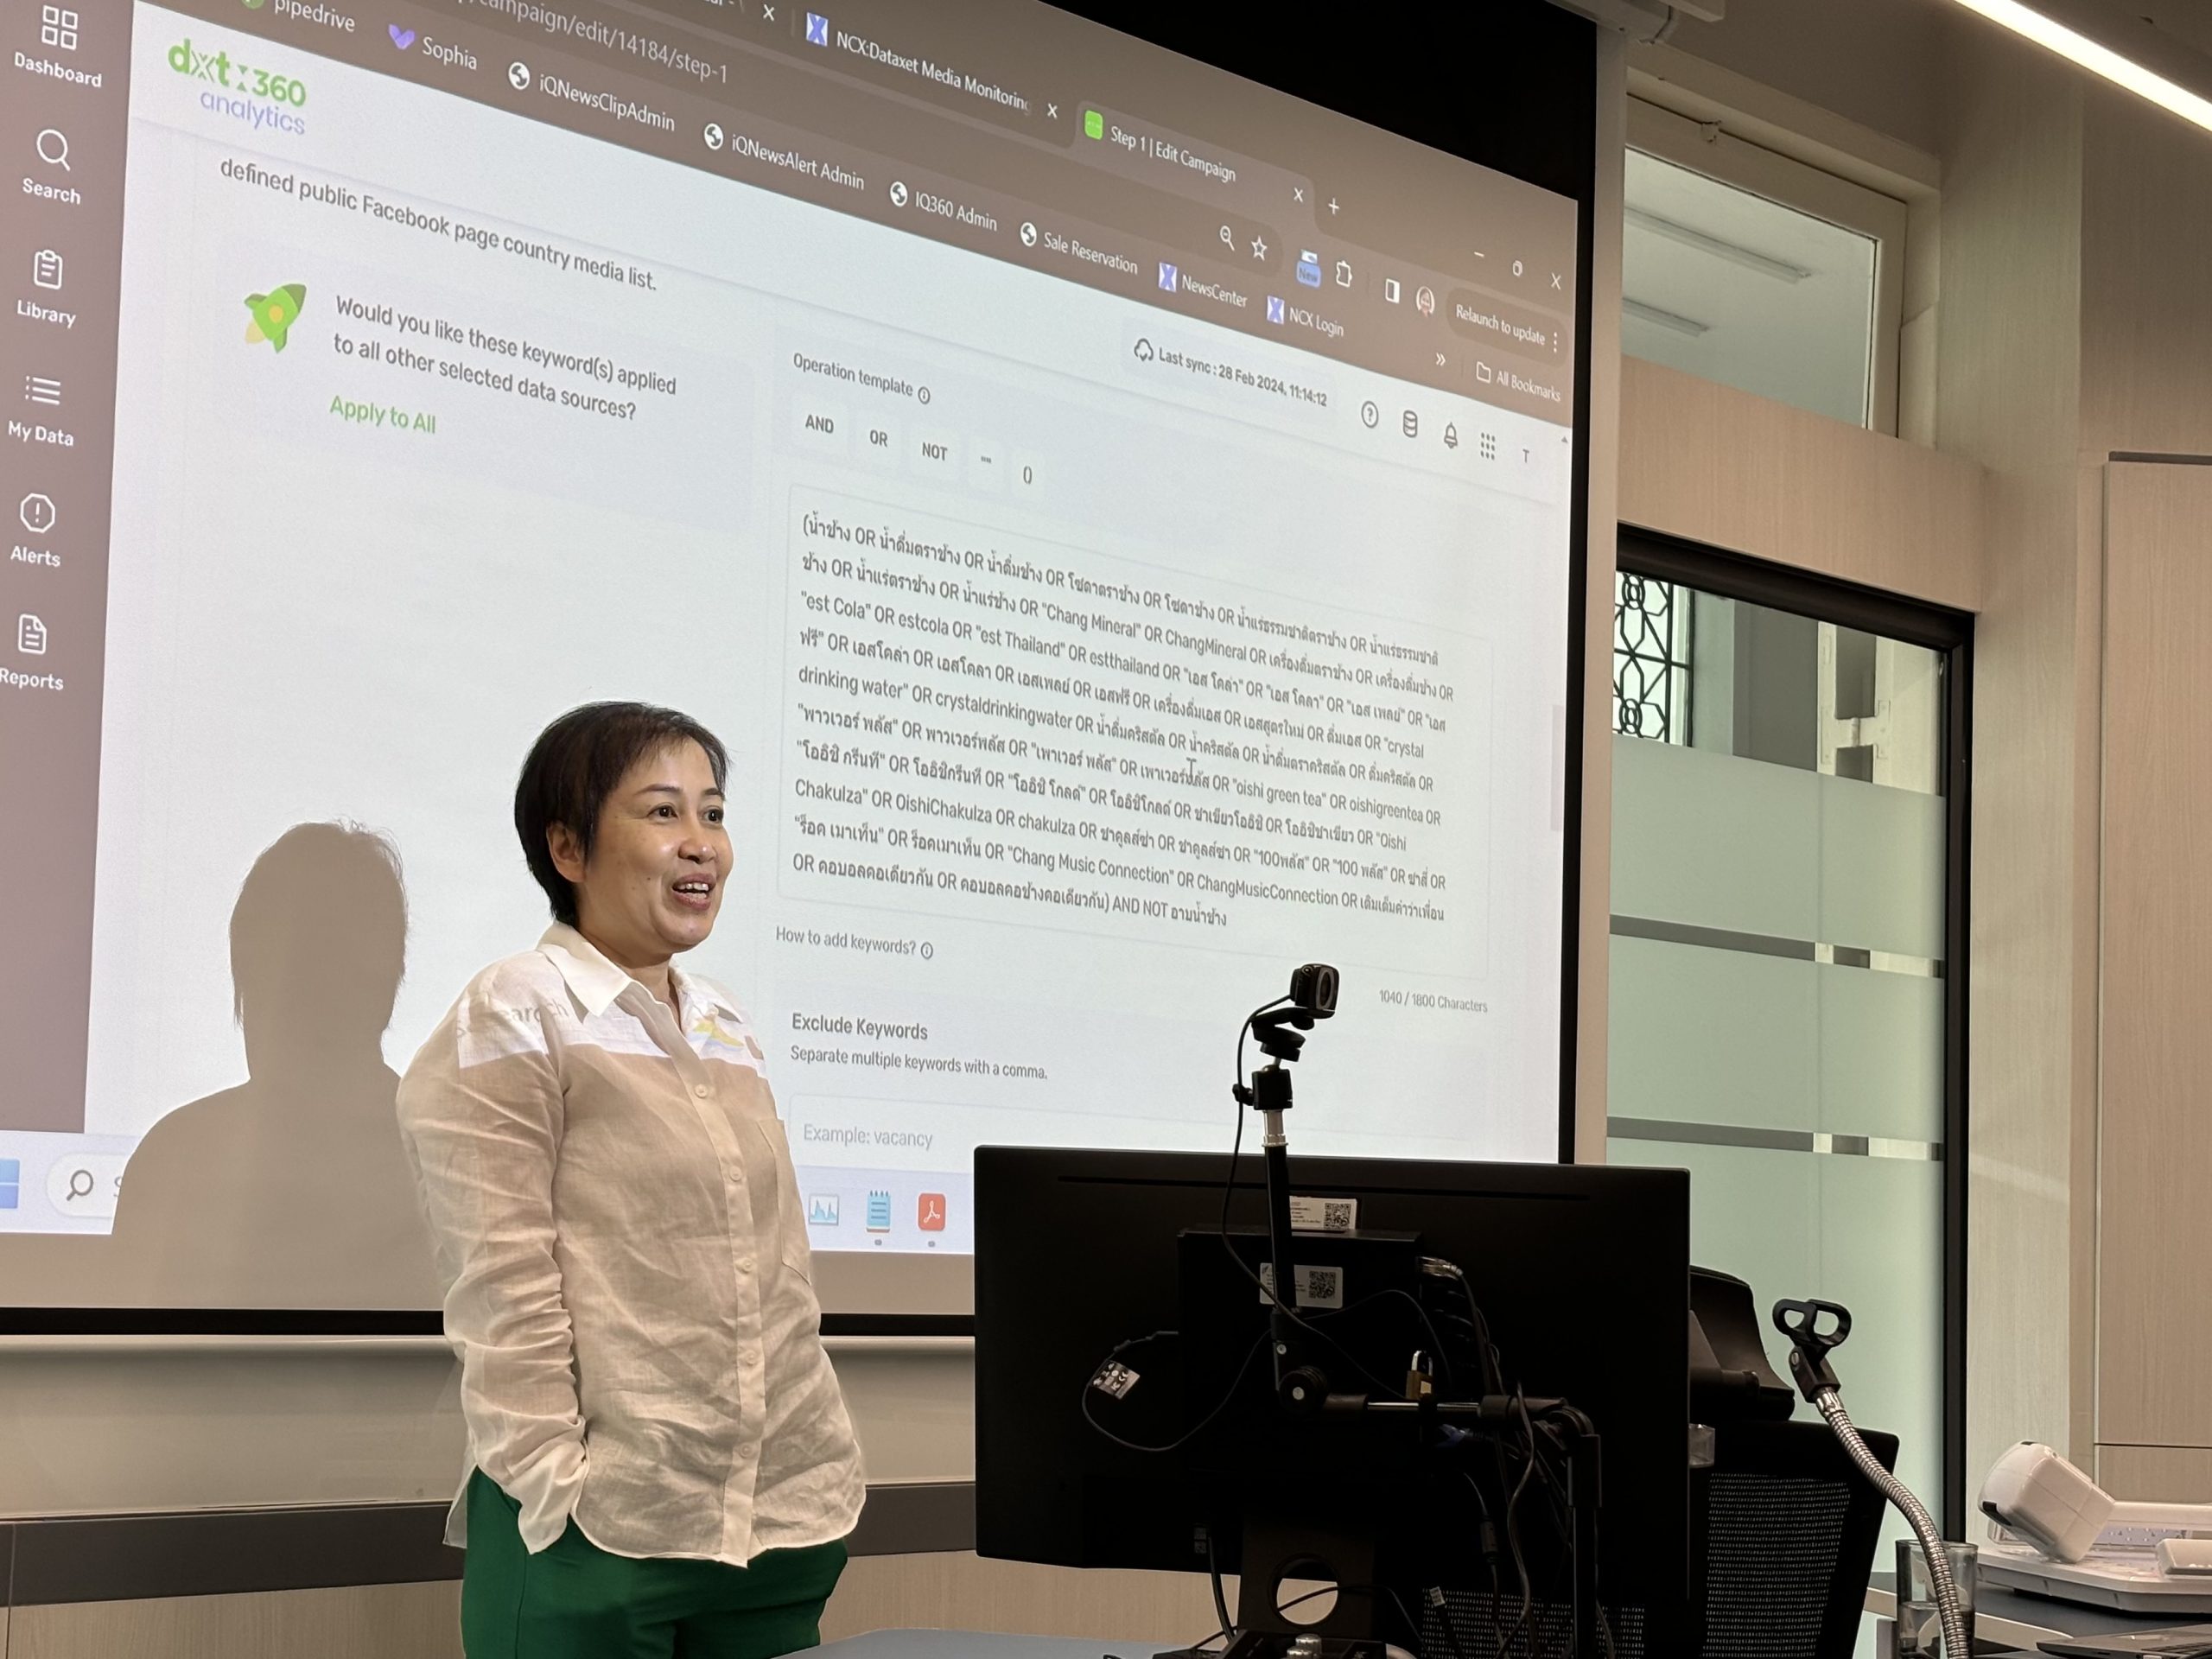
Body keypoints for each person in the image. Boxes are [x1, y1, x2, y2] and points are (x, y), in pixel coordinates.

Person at [397, 702, 862, 1658]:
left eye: (713, 814)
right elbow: (500, 1281)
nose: (701, 844)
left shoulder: (724, 1023)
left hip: (776, 1524)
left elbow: (774, 1265)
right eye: (662, 812)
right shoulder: (517, 1008)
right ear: (567, 848)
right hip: (603, 1532)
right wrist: (552, 1484)